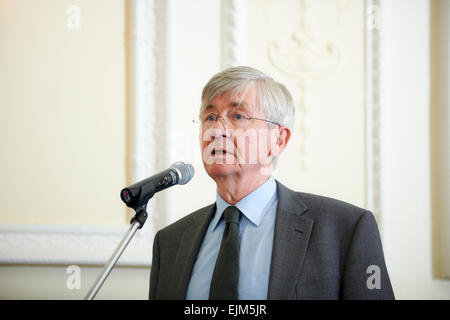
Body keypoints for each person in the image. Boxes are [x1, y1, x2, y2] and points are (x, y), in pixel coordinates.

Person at [149, 66, 394, 300]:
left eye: (237, 116)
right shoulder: (170, 242)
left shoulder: (346, 229)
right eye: (210, 117)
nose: (216, 131)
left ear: (278, 140)